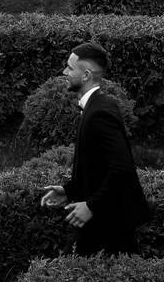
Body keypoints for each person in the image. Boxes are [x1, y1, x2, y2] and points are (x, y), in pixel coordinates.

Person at [39, 41, 152, 255]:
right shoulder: (96, 106)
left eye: (70, 68)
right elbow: (97, 167)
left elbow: (122, 169)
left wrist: (92, 206)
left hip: (108, 226)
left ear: (86, 75)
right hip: (101, 222)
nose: (64, 72)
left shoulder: (100, 112)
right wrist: (68, 190)